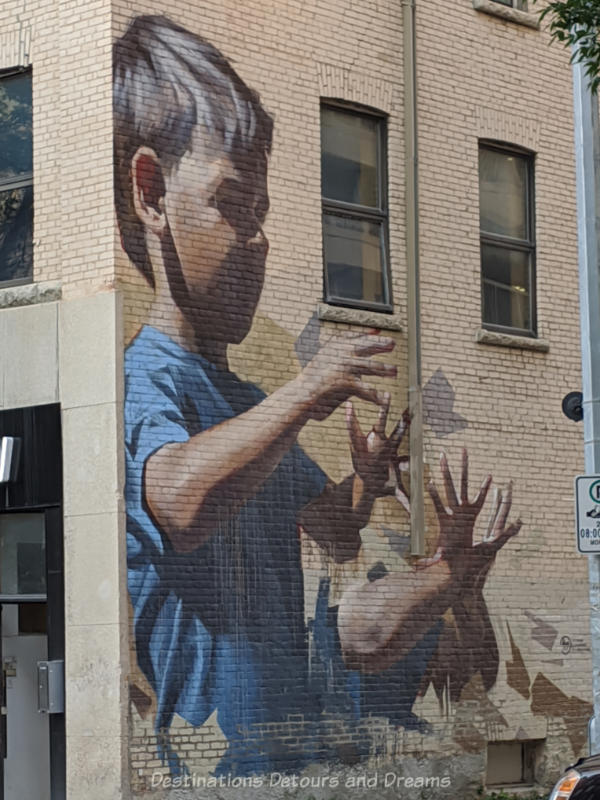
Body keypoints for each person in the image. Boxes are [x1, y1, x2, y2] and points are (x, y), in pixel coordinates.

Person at [115, 14, 521, 776]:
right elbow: (179, 502)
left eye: (263, 213)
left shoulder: (245, 399)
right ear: (152, 194)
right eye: (233, 203)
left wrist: (368, 491)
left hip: (284, 753)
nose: (260, 237)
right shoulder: (147, 377)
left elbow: (328, 528)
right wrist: (304, 391)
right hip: (197, 770)